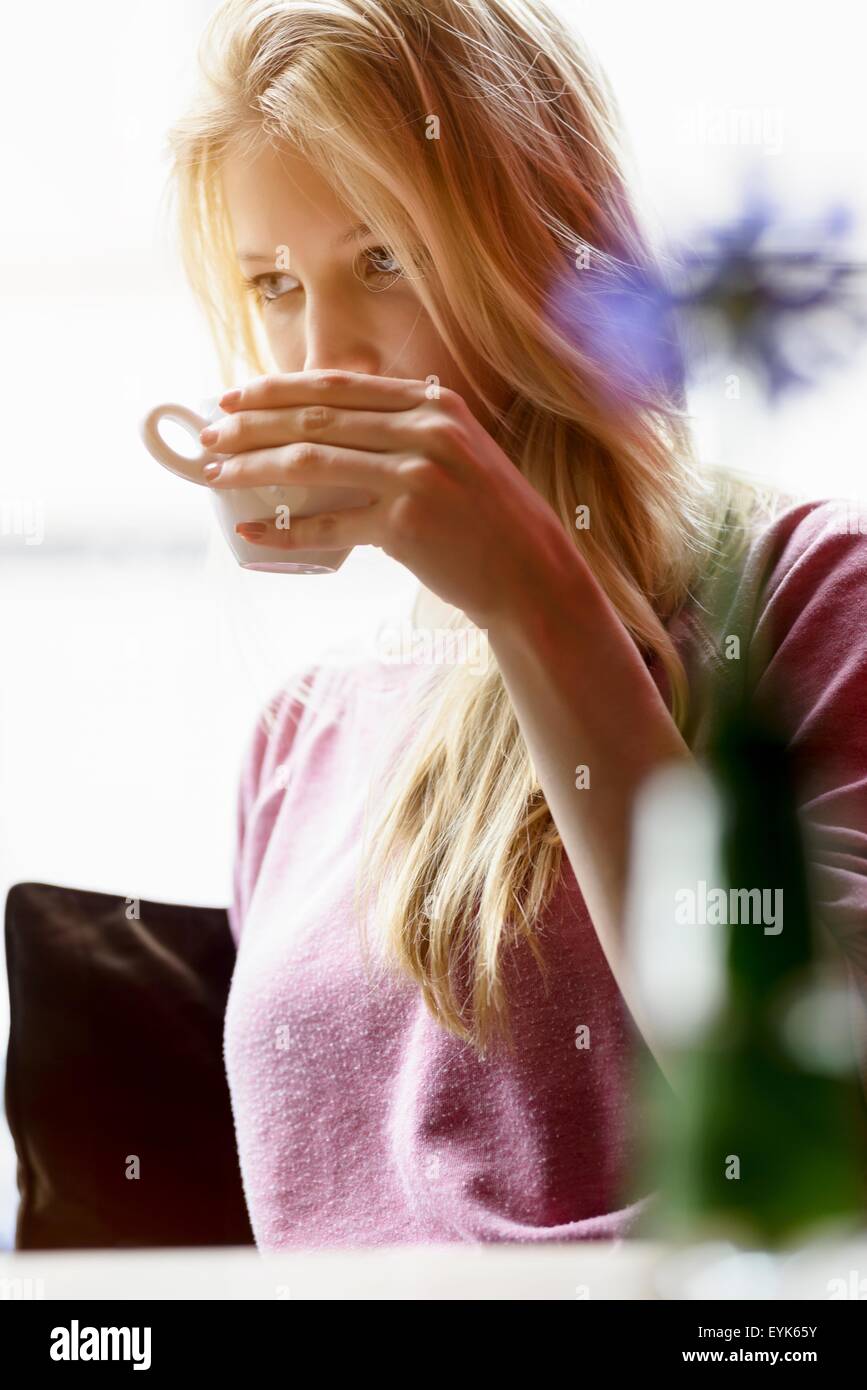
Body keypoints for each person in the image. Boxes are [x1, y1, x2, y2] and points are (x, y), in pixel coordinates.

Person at [165, 0, 867, 1249]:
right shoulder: (298, 738)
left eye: (383, 260)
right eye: (274, 286)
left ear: (538, 249)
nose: (328, 354)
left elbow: (811, 1109)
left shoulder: (803, 595)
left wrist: (536, 603)